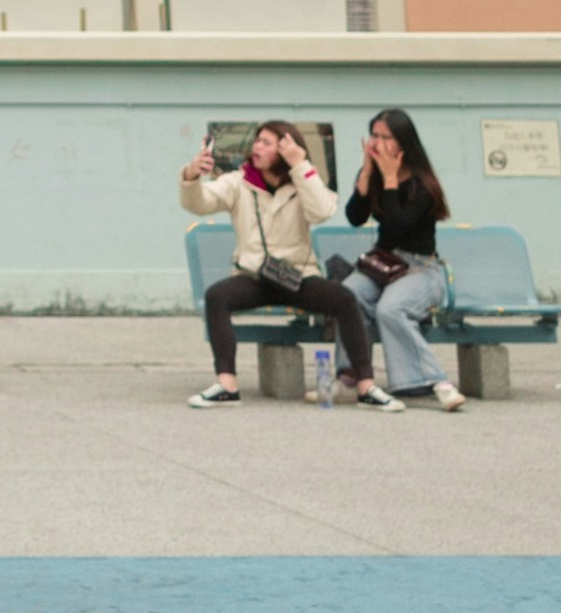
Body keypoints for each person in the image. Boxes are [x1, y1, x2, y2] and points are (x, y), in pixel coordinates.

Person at [181, 119, 389, 411]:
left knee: (344, 298)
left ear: (286, 150)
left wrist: (300, 166)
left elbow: (322, 210)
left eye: (267, 143)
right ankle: (227, 385)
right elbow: (200, 203)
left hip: (297, 278)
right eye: (257, 141)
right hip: (254, 276)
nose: (257, 147)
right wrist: (191, 176)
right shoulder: (239, 182)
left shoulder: (303, 183)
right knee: (217, 296)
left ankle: (366, 386)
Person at [334, 106, 462, 412]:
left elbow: (398, 225)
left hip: (420, 268)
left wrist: (391, 180)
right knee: (346, 296)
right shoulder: (374, 175)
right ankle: (351, 376)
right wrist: (366, 173)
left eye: (386, 137)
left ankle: (437, 382)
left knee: (391, 309)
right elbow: (355, 217)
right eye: (374, 135)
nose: (377, 143)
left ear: (403, 142)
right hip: (383, 264)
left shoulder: (422, 184)